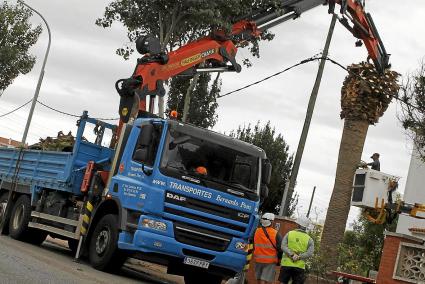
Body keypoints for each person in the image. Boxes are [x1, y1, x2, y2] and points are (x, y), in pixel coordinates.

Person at [279, 217, 314, 284]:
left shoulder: (289, 234)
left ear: (298, 225)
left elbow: (283, 246)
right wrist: (299, 256)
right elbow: (310, 253)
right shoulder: (309, 239)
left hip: (286, 264)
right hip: (299, 266)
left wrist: (292, 254)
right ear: (306, 227)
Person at [253, 213, 283, 284]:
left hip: (258, 259)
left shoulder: (256, 231)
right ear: (272, 222)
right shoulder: (276, 234)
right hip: (270, 261)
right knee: (264, 279)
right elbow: (280, 249)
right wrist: (279, 260)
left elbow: (252, 243)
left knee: (258, 279)